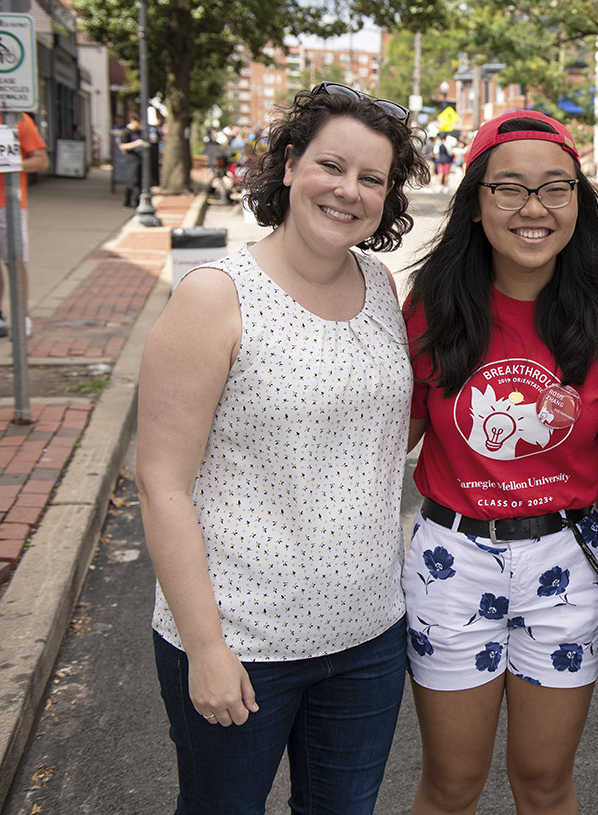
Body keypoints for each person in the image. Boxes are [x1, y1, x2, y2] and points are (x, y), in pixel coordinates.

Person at [136, 82, 427, 812]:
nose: (348, 191)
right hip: (241, 640)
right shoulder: (215, 296)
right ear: (291, 165)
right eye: (332, 166)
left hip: (367, 636)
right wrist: (205, 647)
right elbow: (161, 485)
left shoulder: (380, 283)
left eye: (372, 178)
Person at [403, 109, 598, 815]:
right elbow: (387, 442)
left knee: (544, 784)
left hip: (567, 560)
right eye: (510, 189)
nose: (534, 209)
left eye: (555, 188)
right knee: (452, 785)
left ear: (578, 204)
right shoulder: (431, 310)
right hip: (453, 560)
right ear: (475, 203)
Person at [0, 108, 49, 339]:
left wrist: (7, 163)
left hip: (9, 200)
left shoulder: (16, 118)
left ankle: (22, 316)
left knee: (14, 259)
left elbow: (40, 161)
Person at [119, 113, 147, 208]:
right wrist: (136, 143)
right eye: (138, 123)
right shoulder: (127, 132)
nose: (139, 125)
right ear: (133, 121)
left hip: (140, 159)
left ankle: (137, 202)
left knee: (139, 181)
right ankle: (127, 202)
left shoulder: (140, 132)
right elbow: (123, 146)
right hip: (131, 160)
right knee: (132, 181)